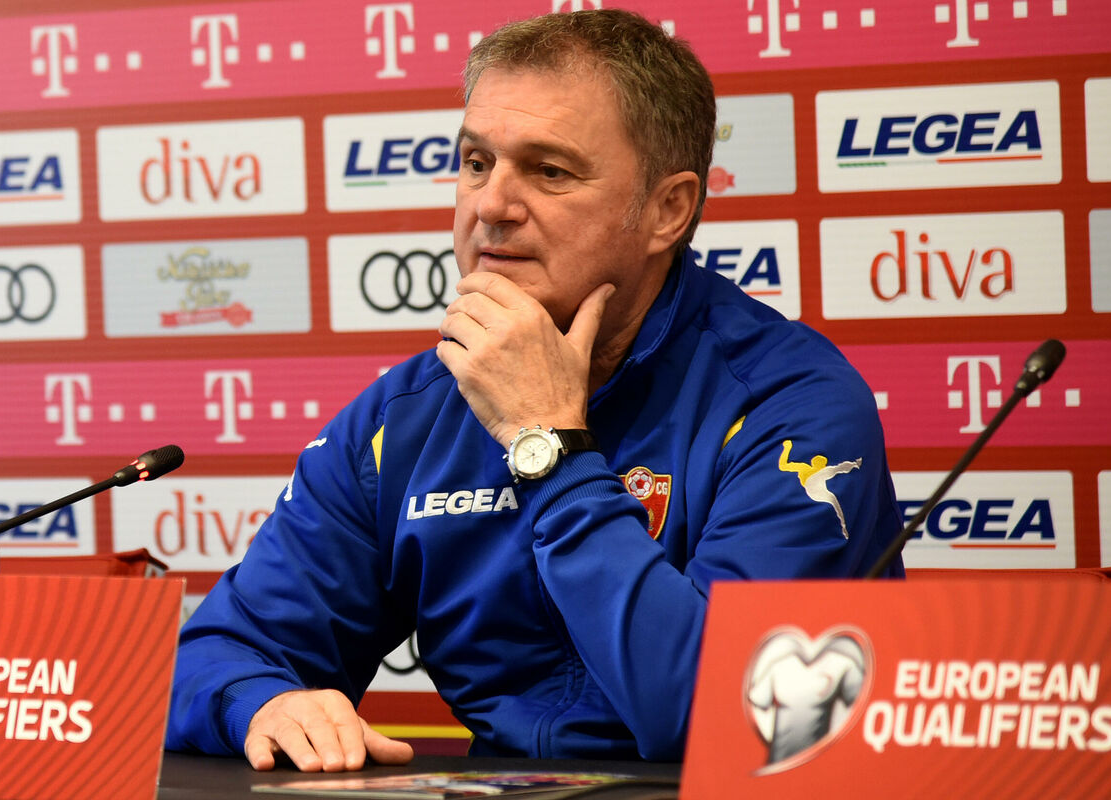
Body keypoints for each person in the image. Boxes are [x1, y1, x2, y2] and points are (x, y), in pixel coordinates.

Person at [165, 8, 903, 772]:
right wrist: (259, 700)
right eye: (476, 162)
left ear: (668, 210)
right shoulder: (407, 417)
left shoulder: (791, 404)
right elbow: (217, 654)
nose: (491, 205)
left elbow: (733, 711)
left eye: (550, 171)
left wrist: (548, 445)